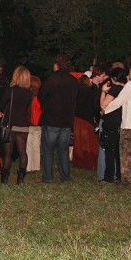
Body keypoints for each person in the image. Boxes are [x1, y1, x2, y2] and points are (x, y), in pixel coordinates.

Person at [101, 62, 131, 186]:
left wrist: (105, 109)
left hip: (130, 125)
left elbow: (119, 101)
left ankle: (127, 180)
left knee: (127, 153)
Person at [39, 54, 79, 183]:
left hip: (51, 119)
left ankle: (48, 177)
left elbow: (41, 95)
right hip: (66, 121)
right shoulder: (73, 81)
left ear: (56, 65)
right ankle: (66, 177)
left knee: (48, 149)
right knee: (63, 149)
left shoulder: (52, 79)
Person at [0, 66, 33, 184]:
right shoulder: (29, 93)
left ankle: (5, 178)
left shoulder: (11, 90)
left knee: (8, 153)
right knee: (23, 152)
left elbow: (1, 105)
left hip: (10, 125)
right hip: (23, 125)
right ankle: (21, 178)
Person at [99, 68, 126, 183]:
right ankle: (119, 176)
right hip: (121, 121)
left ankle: (108, 177)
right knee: (118, 151)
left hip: (111, 122)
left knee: (109, 150)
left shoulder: (115, 89)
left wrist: (103, 91)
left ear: (114, 78)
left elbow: (103, 105)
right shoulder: (126, 89)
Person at [72, 74, 100, 170]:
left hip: (77, 118)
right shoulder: (90, 92)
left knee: (78, 141)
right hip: (87, 119)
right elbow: (93, 106)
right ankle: (90, 162)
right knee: (89, 141)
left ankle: (79, 161)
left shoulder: (76, 92)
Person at [26, 75, 42, 173]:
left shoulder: (28, 96)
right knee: (37, 145)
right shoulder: (40, 96)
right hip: (38, 124)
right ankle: (36, 166)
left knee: (28, 146)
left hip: (29, 123)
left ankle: (28, 166)